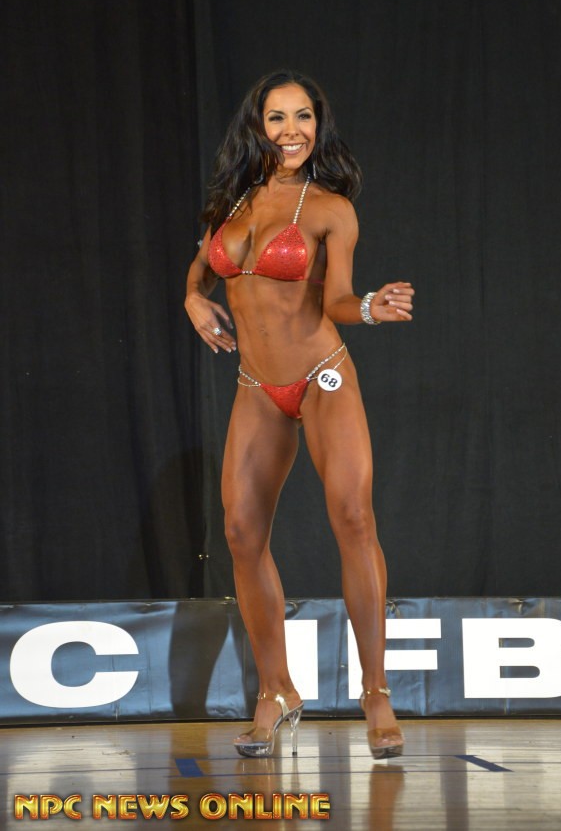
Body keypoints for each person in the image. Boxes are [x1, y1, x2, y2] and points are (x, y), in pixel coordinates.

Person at [185, 69, 414, 759]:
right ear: (257, 127)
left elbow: (337, 299)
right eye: (278, 117)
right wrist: (193, 297)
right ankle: (276, 691)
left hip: (322, 377)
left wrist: (369, 306)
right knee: (239, 532)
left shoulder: (330, 209)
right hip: (257, 384)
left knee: (353, 518)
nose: (292, 131)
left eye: (304, 117)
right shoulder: (232, 201)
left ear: (319, 126)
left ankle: (376, 692)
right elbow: (202, 268)